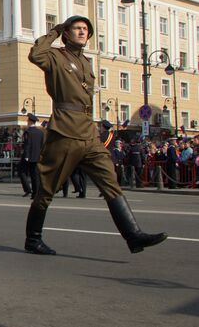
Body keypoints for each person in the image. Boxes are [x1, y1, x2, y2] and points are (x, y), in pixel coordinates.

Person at [24, 15, 166, 255]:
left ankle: (133, 235)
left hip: (89, 131)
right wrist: (55, 31)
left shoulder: (86, 63)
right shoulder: (55, 56)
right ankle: (33, 239)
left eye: (85, 30)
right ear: (67, 33)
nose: (82, 32)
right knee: (46, 190)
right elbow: (35, 54)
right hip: (65, 131)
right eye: (77, 28)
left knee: (109, 180)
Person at [21, 113, 43, 198]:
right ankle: (35, 193)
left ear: (30, 121)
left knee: (21, 171)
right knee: (35, 175)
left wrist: (26, 156)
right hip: (37, 156)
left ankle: (28, 189)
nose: (27, 122)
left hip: (28, 156)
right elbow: (42, 145)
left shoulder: (28, 132)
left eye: (27, 120)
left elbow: (27, 144)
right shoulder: (40, 133)